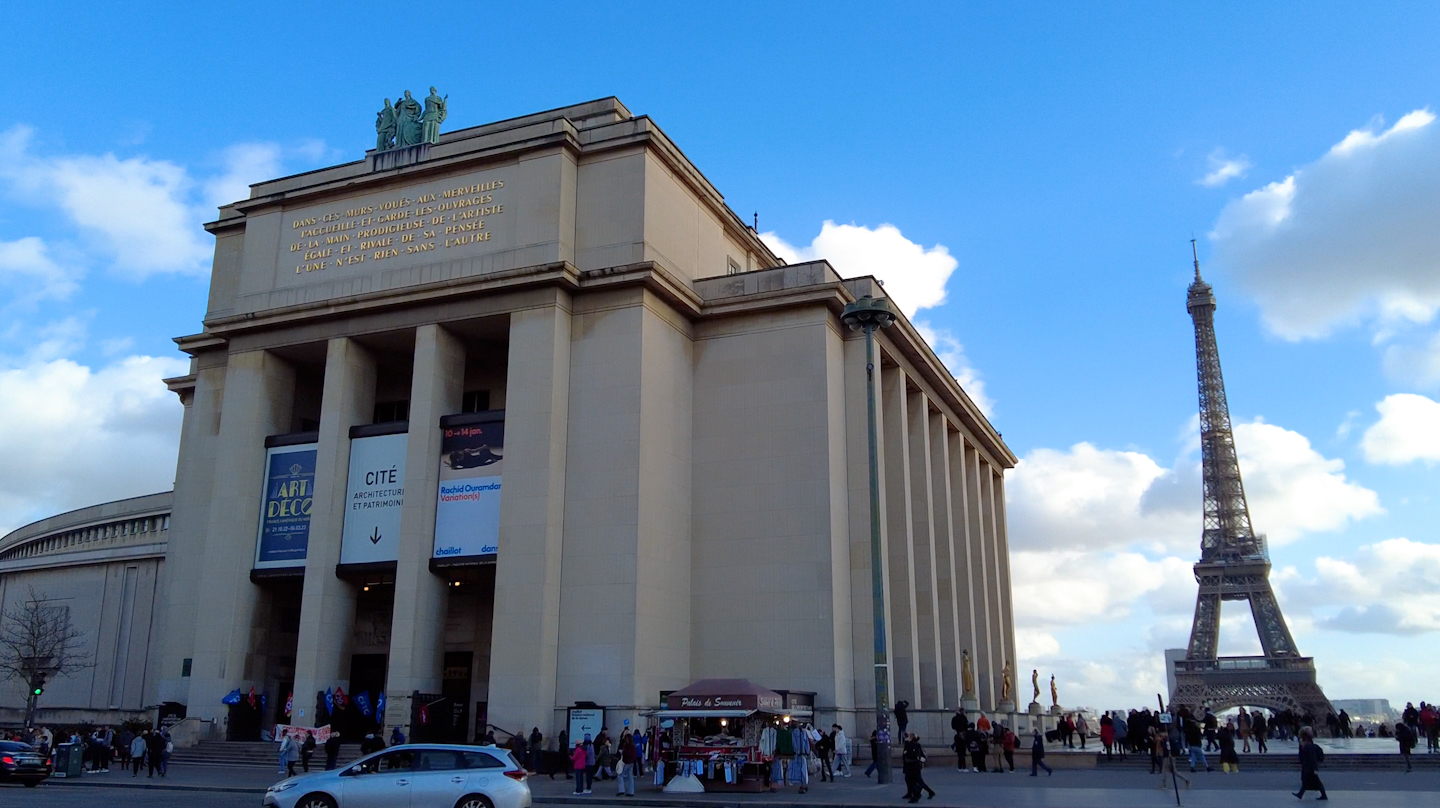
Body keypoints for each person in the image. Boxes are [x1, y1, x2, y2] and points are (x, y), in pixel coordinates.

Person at [1294, 727, 1327, 800]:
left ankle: (1324, 795)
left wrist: (1315, 768)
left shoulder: (1308, 747)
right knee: (1307, 781)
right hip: (1309, 767)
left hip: (1310, 767)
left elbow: (1313, 758)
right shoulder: (1306, 747)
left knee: (1316, 782)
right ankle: (1300, 794)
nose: (1300, 742)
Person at [901, 733, 933, 802]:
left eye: (908, 737)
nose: (906, 738)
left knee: (914, 781)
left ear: (911, 738)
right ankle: (912, 793)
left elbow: (911, 755)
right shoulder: (911, 744)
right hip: (912, 766)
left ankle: (917, 794)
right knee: (911, 780)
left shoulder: (913, 745)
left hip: (913, 766)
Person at [617, 731, 637, 796]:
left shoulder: (627, 746)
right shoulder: (633, 746)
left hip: (626, 762)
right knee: (630, 777)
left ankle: (621, 790)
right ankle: (631, 791)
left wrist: (622, 752)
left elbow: (627, 754)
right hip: (631, 762)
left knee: (620, 775)